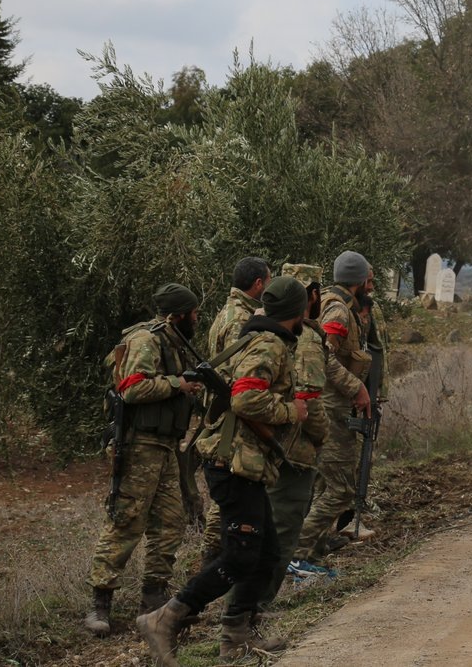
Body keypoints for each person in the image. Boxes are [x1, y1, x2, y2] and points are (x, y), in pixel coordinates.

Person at [136, 276, 310, 665]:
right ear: (297, 312)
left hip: (242, 461)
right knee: (241, 556)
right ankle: (166, 617)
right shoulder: (268, 344)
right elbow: (246, 399)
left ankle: (235, 638)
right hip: (234, 463)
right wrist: (291, 412)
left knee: (266, 554)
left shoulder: (260, 339)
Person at [83, 284, 205, 636]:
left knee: (170, 523)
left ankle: (154, 602)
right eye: (193, 313)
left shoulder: (174, 340)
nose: (197, 319)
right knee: (126, 521)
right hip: (139, 446)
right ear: (177, 314)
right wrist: (176, 384)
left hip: (165, 447)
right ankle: (99, 604)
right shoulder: (145, 340)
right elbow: (132, 389)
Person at [260, 262, 358, 603]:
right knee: (284, 520)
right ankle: (295, 563)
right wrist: (321, 436)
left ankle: (305, 557)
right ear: (311, 294)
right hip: (295, 437)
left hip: (274, 436)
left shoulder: (267, 329)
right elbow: (309, 398)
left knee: (283, 511)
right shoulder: (304, 335)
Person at [292, 250, 375, 571]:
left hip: (331, 405)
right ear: (357, 279)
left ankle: (312, 554)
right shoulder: (338, 312)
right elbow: (323, 359)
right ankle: (298, 551)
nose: (371, 284)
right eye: (367, 277)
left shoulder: (333, 303)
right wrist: (357, 387)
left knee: (326, 485)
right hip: (332, 408)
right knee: (341, 489)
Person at [197, 256, 272, 563]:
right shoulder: (242, 318)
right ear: (258, 284)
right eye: (268, 281)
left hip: (226, 410)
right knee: (228, 491)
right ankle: (213, 558)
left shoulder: (227, 311)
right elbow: (237, 370)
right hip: (232, 415)